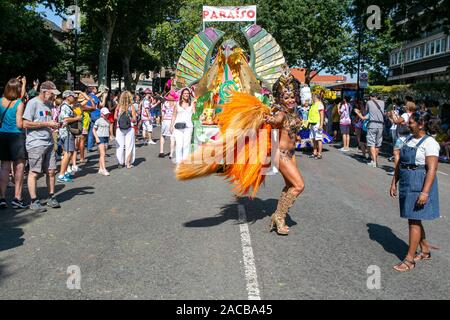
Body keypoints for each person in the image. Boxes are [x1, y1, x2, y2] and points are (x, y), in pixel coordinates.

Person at [390, 113, 440, 272]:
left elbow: (432, 169)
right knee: (414, 218)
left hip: (419, 182)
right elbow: (400, 163)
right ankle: (424, 250)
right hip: (406, 180)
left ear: (421, 124)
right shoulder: (409, 139)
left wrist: (425, 193)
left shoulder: (431, 143)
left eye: (410, 122)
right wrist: (394, 182)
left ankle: (409, 259)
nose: (407, 124)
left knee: (413, 220)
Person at [22, 81, 61, 213]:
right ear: (44, 92)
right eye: (51, 94)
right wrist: (46, 123)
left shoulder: (49, 104)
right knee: (34, 172)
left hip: (49, 142)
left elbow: (47, 122)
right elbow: (25, 124)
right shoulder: (33, 103)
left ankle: (51, 197)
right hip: (36, 143)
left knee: (51, 171)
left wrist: (56, 124)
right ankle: (34, 201)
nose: (53, 97)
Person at [0, 78, 27, 209]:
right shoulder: (19, 103)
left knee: (4, 167)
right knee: (19, 167)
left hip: (3, 135)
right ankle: (17, 197)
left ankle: (2, 197)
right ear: (17, 89)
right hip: (16, 136)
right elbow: (19, 124)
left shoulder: (0, 101)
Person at [57, 91, 82, 183]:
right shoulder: (65, 106)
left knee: (69, 153)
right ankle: (61, 175)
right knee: (68, 153)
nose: (74, 98)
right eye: (72, 96)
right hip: (66, 132)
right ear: (67, 97)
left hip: (66, 132)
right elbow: (65, 119)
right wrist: (77, 118)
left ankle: (65, 173)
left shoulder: (66, 106)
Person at [170, 88, 196, 164]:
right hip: (178, 127)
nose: (186, 95)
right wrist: (171, 125)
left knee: (186, 145)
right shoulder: (177, 104)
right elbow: (174, 115)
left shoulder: (192, 104)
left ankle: (185, 162)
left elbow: (195, 115)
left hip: (188, 127)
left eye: (187, 93)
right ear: (182, 95)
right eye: (185, 93)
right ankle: (179, 161)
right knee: (179, 144)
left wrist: (200, 117)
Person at [114, 91, 137, 169]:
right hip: (130, 128)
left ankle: (120, 162)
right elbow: (134, 119)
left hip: (119, 128)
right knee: (129, 145)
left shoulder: (118, 106)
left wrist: (121, 119)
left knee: (119, 146)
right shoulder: (132, 107)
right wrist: (129, 119)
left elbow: (115, 117)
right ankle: (128, 163)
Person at [365, 93, 385, 167]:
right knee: (378, 144)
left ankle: (373, 161)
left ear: (370, 97)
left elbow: (366, 112)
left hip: (372, 124)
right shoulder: (383, 102)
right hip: (381, 125)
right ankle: (375, 160)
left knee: (372, 143)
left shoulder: (368, 102)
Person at [93, 108, 112, 176]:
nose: (107, 115)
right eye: (105, 114)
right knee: (103, 153)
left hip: (106, 137)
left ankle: (100, 168)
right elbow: (94, 130)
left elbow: (109, 129)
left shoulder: (108, 121)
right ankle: (104, 169)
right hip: (100, 137)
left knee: (103, 154)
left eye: (107, 114)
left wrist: (110, 135)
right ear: (101, 114)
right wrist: (96, 138)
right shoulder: (98, 121)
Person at [159, 90, 177, 159]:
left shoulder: (165, 103)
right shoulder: (176, 104)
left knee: (162, 135)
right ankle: (171, 154)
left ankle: (161, 151)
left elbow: (163, 112)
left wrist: (162, 119)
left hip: (165, 120)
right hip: (172, 121)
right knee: (172, 137)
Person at [307, 94, 325, 159]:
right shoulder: (313, 105)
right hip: (312, 123)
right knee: (314, 139)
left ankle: (319, 154)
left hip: (317, 123)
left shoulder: (320, 104)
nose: (312, 98)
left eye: (313, 97)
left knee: (319, 139)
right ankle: (314, 152)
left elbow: (322, 115)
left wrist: (321, 124)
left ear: (316, 97)